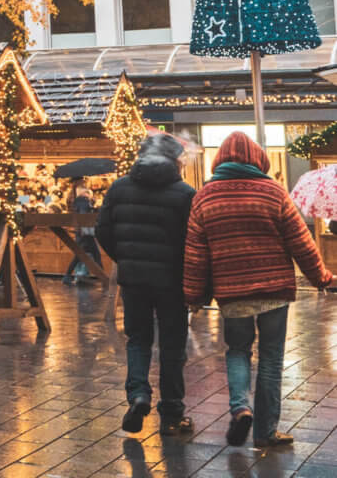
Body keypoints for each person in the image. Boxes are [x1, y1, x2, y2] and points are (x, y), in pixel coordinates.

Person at [184, 131, 333, 449]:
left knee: (237, 352)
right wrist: (321, 277)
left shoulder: (204, 196)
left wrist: (194, 295)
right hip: (274, 290)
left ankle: (240, 408)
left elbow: (195, 254)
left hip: (232, 292)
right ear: (258, 159)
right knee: (270, 359)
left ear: (220, 159)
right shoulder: (273, 192)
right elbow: (301, 242)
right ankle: (265, 432)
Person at [96, 133, 196, 436]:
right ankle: (172, 412)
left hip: (134, 279)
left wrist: (125, 257)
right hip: (172, 282)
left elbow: (102, 230)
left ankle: (138, 395)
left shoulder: (119, 188)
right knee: (172, 344)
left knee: (138, 339)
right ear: (174, 161)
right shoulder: (185, 193)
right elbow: (193, 241)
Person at [63, 180, 101, 285]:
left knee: (81, 255)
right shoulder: (82, 201)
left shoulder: (76, 200)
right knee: (92, 254)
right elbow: (84, 215)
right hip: (85, 231)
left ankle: (102, 277)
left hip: (81, 231)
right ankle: (103, 278)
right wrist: (92, 206)